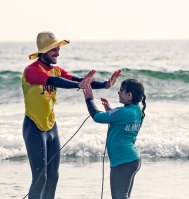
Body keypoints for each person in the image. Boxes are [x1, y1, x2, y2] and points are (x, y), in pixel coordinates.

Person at [22, 31, 121, 199]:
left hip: (51, 126)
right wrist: (80, 84)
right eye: (54, 49)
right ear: (43, 51)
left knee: (54, 176)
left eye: (58, 49)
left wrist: (105, 84)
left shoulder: (56, 70)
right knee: (40, 178)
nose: (58, 53)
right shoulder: (31, 71)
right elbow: (56, 82)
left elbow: (77, 79)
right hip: (34, 127)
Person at [83, 78, 146, 199]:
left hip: (123, 160)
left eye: (121, 91)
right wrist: (111, 112)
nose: (118, 93)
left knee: (119, 196)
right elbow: (124, 122)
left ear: (129, 95)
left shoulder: (123, 111)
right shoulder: (137, 110)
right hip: (132, 159)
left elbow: (97, 117)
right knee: (123, 196)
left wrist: (89, 99)